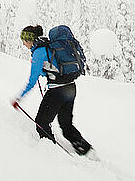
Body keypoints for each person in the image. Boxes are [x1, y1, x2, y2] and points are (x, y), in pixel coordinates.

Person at [11, 24, 93, 156]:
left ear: (30, 39)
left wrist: (19, 98)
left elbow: (32, 81)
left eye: (24, 39)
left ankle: (51, 155)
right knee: (66, 125)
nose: (23, 43)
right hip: (70, 88)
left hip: (57, 91)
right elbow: (52, 68)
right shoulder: (48, 47)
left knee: (41, 123)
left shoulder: (38, 53)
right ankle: (87, 151)